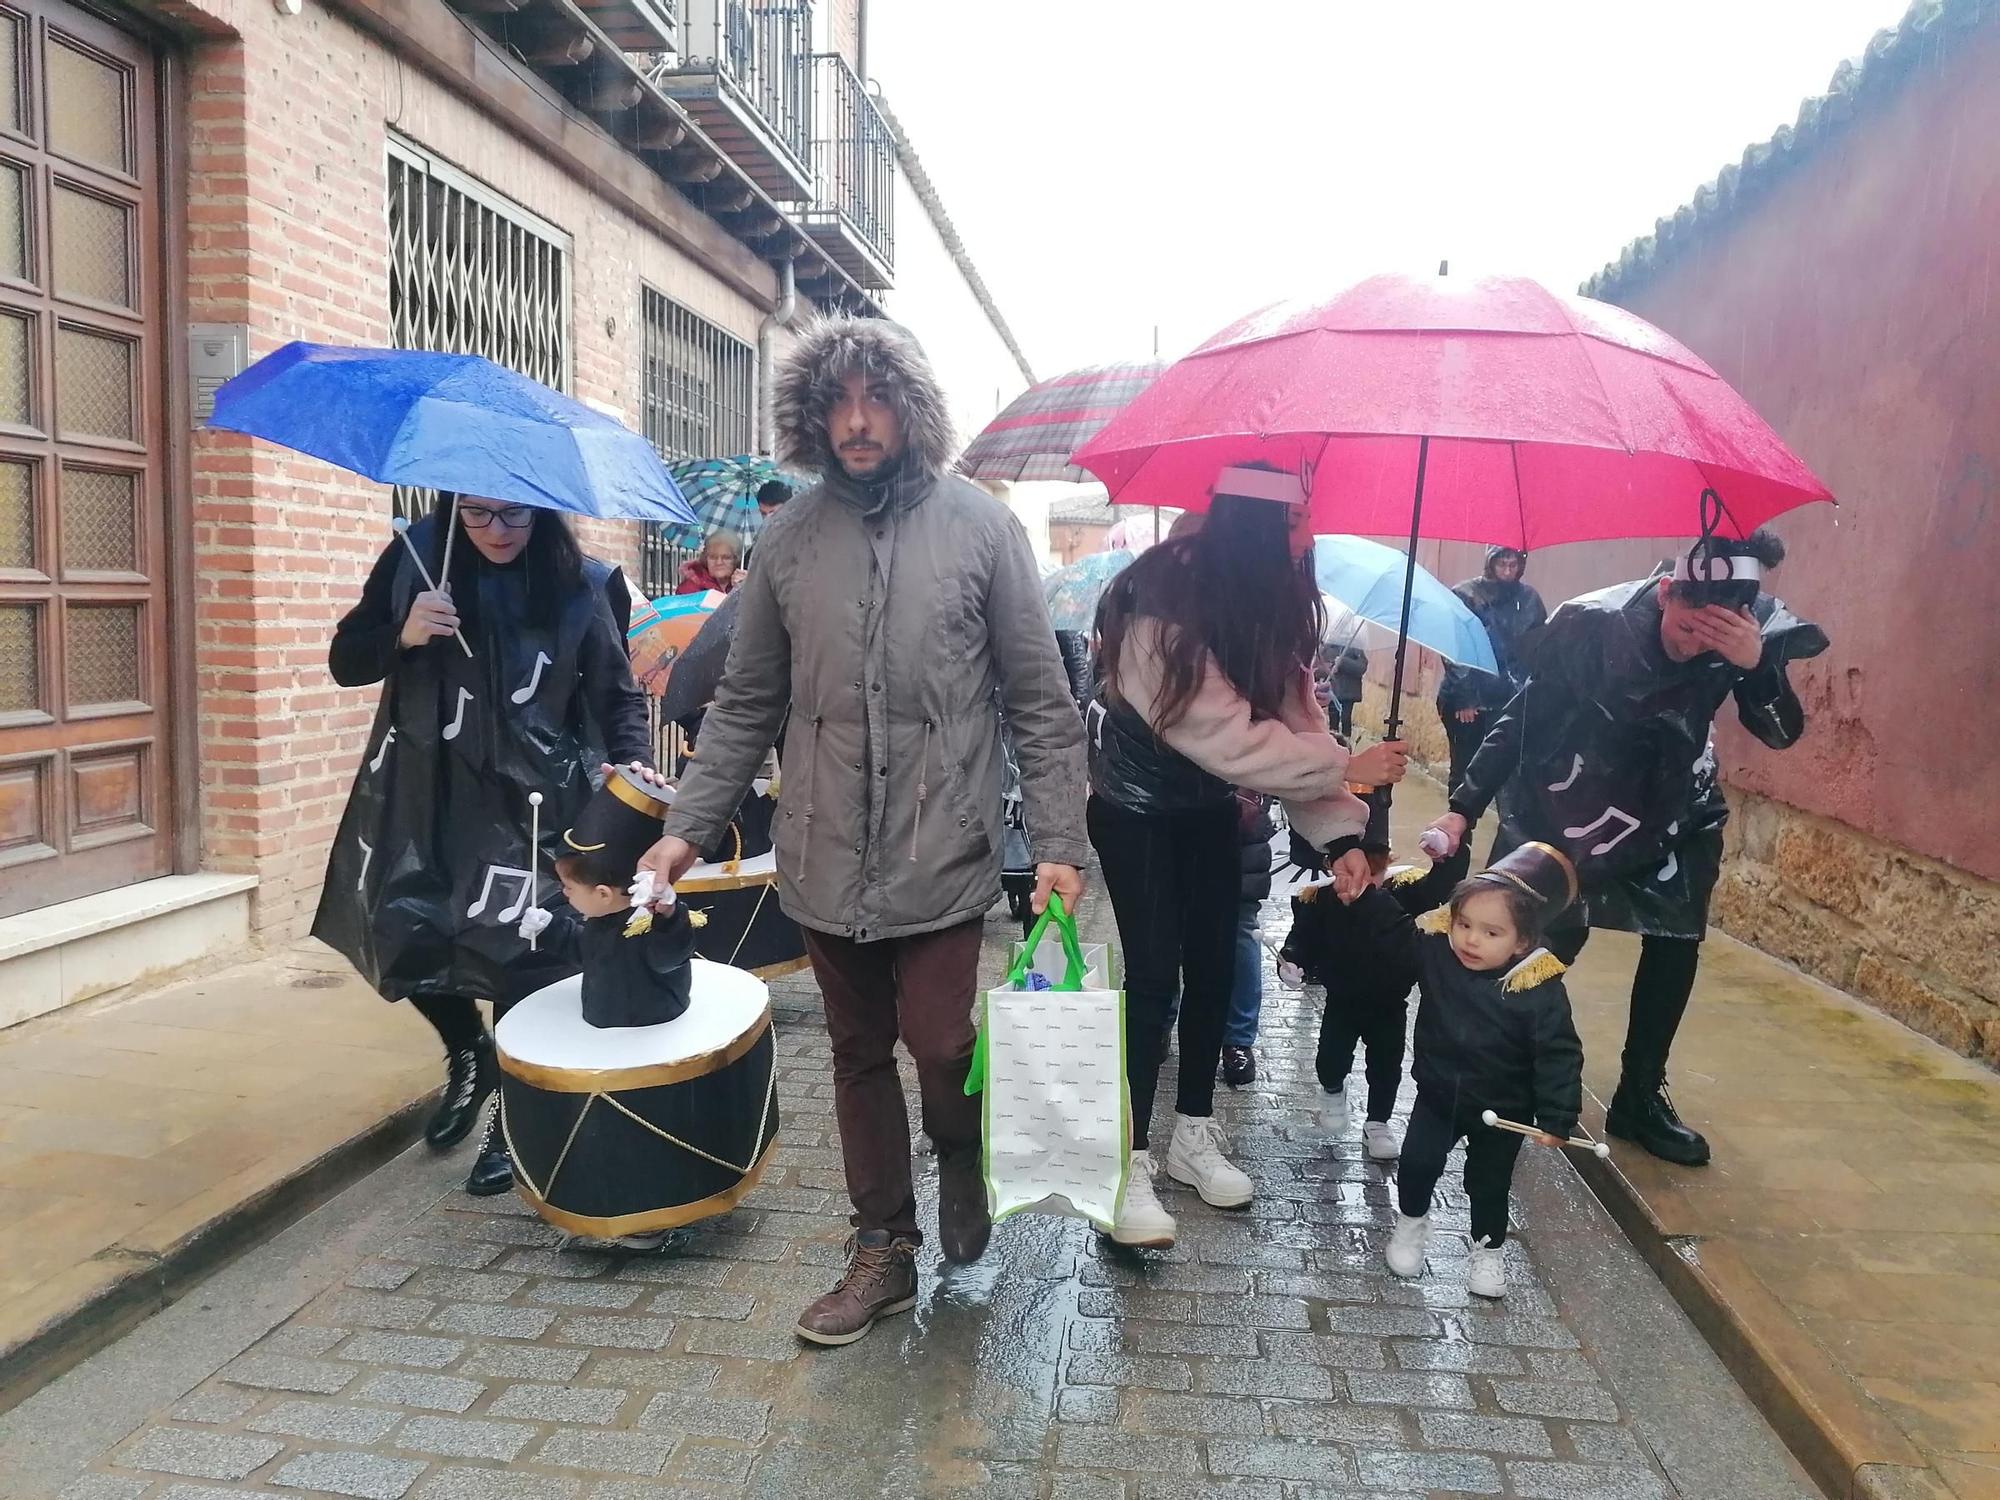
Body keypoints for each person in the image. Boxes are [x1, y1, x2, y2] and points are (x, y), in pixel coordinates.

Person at [633, 316, 1089, 1347]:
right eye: (835, 403)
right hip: (822, 848)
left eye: (873, 399)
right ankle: (881, 1247)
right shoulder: (788, 539)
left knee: (940, 1044)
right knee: (853, 1052)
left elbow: (1037, 697)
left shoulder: (982, 530)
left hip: (945, 848)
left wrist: (1058, 840)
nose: (854, 421)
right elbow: (745, 701)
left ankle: (961, 1154)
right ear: (810, 416)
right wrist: (686, 831)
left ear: (908, 406)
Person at [1425, 526, 1826, 1167]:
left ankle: (1641, 1093)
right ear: (1666, 592)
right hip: (1570, 793)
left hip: (1674, 805)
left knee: (1676, 936)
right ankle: (1499, 1062)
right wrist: (1462, 809)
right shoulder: (1591, 622)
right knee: (1536, 933)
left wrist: (1760, 668)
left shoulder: (1751, 636)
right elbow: (1520, 719)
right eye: (1692, 624)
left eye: (1720, 630)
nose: (1700, 644)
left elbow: (1780, 733)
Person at [1087, 462, 1409, 1250]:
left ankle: (1192, 1134)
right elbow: (1223, 733)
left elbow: (1291, 712)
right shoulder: (1157, 597)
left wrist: (1343, 834)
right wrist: (1343, 769)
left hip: (1208, 804)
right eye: (1297, 518)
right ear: (1254, 523)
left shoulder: (1268, 593)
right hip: (1135, 807)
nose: (1309, 532)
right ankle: (1127, 1164)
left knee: (1217, 967)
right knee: (1156, 973)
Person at [315, 493, 651, 1197]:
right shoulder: (416, 564)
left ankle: (511, 1111)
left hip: (533, 803)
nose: (496, 531)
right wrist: (401, 634)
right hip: (426, 795)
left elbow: (617, 694)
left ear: (542, 513)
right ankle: (467, 1047)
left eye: (513, 515)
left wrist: (629, 763)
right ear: (453, 509)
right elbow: (347, 660)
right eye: (478, 515)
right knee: (408, 931)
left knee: (521, 954)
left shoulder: (580, 583)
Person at [1385, 841, 1584, 1300]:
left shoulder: (1537, 989)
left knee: (1490, 1182)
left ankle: (1488, 1248)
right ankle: (1411, 1223)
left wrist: (1557, 1118)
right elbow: (1390, 942)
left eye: (1492, 933)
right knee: (1417, 1163)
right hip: (1438, 1096)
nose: (1471, 940)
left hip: (1505, 1108)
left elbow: (1559, 1054)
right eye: (1465, 925)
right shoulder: (1436, 954)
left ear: (1523, 942)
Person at [1279, 793, 1469, 1160]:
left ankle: (1378, 1122)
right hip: (1341, 1000)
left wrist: (1447, 853)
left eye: (1372, 872)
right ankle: (1332, 1089)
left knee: (1386, 1065)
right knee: (1330, 1058)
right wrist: (1290, 961)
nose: (1357, 883)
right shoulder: (1317, 901)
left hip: (1389, 1003)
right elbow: (1301, 939)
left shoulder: (1402, 893)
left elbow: (1442, 886)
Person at [1435, 546, 1545, 798]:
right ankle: (1459, 830)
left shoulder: (1529, 599)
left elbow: (1539, 644)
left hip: (1510, 697)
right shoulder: (1466, 594)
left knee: (1507, 769)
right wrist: (1466, 697)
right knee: (1464, 768)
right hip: (1470, 699)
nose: (1507, 570)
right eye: (1502, 564)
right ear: (1490, 563)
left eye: (1513, 564)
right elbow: (1456, 649)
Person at [1220, 788, 1277, 1087]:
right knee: (1168, 924)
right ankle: (1160, 1025)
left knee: (1242, 928)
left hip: (1238, 818)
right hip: (1170, 811)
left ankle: (1238, 1041)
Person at [677, 529, 743, 595]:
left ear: (735, 560)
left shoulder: (744, 583)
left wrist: (748, 587)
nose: (718, 562)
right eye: (713, 557)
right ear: (706, 559)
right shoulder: (688, 589)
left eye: (726, 557)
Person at [1327, 642, 1368, 738]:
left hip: (1349, 691)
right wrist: (1331, 667)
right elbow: (1320, 663)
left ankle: (1346, 744)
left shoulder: (1355, 647)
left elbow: (1362, 667)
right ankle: (1332, 744)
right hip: (1333, 690)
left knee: (1345, 719)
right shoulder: (1330, 645)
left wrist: (1343, 662)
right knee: (1333, 720)